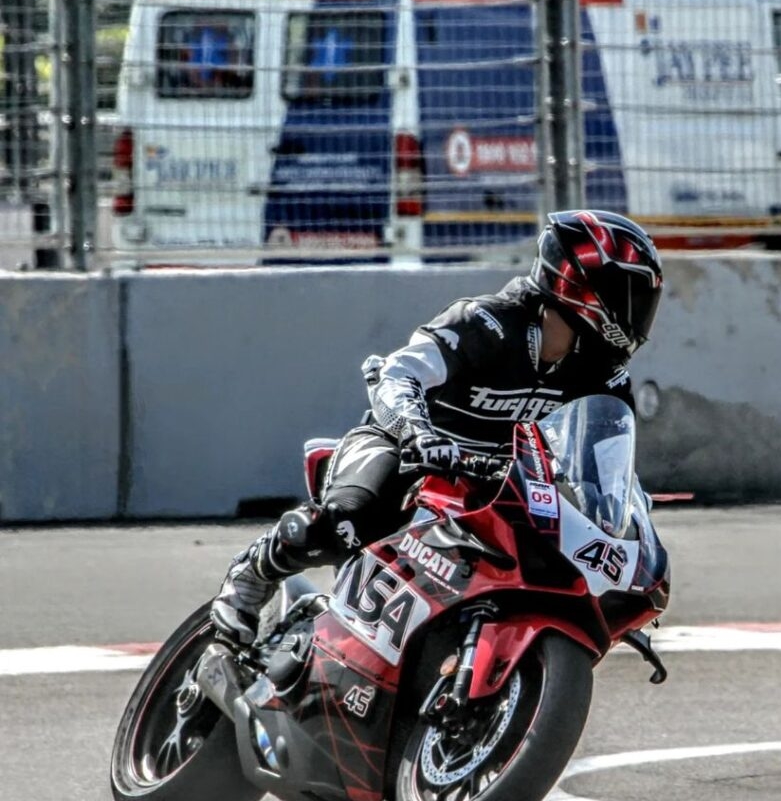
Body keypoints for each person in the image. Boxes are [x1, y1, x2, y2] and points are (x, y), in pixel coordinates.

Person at [210, 209, 664, 645]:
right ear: (585, 286)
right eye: (632, 295)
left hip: (495, 488)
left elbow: (604, 467)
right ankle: (252, 574)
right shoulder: (487, 322)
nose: (639, 314)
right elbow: (398, 374)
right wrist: (417, 434)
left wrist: (627, 532)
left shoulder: (602, 377)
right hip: (404, 452)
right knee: (347, 519)